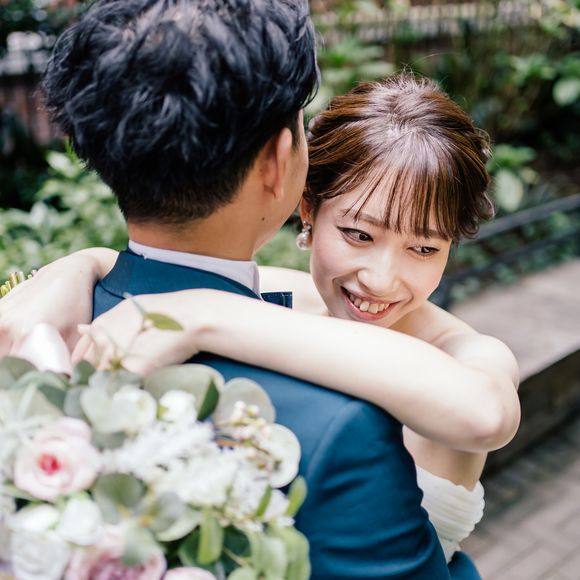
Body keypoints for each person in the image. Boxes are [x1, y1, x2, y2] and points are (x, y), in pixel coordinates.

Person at [0, 1, 510, 577]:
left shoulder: (44, 336)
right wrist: (81, 264)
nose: (381, 277)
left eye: (425, 247)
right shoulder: (343, 423)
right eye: (358, 234)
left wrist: (192, 309)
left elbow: (486, 412)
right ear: (296, 188)